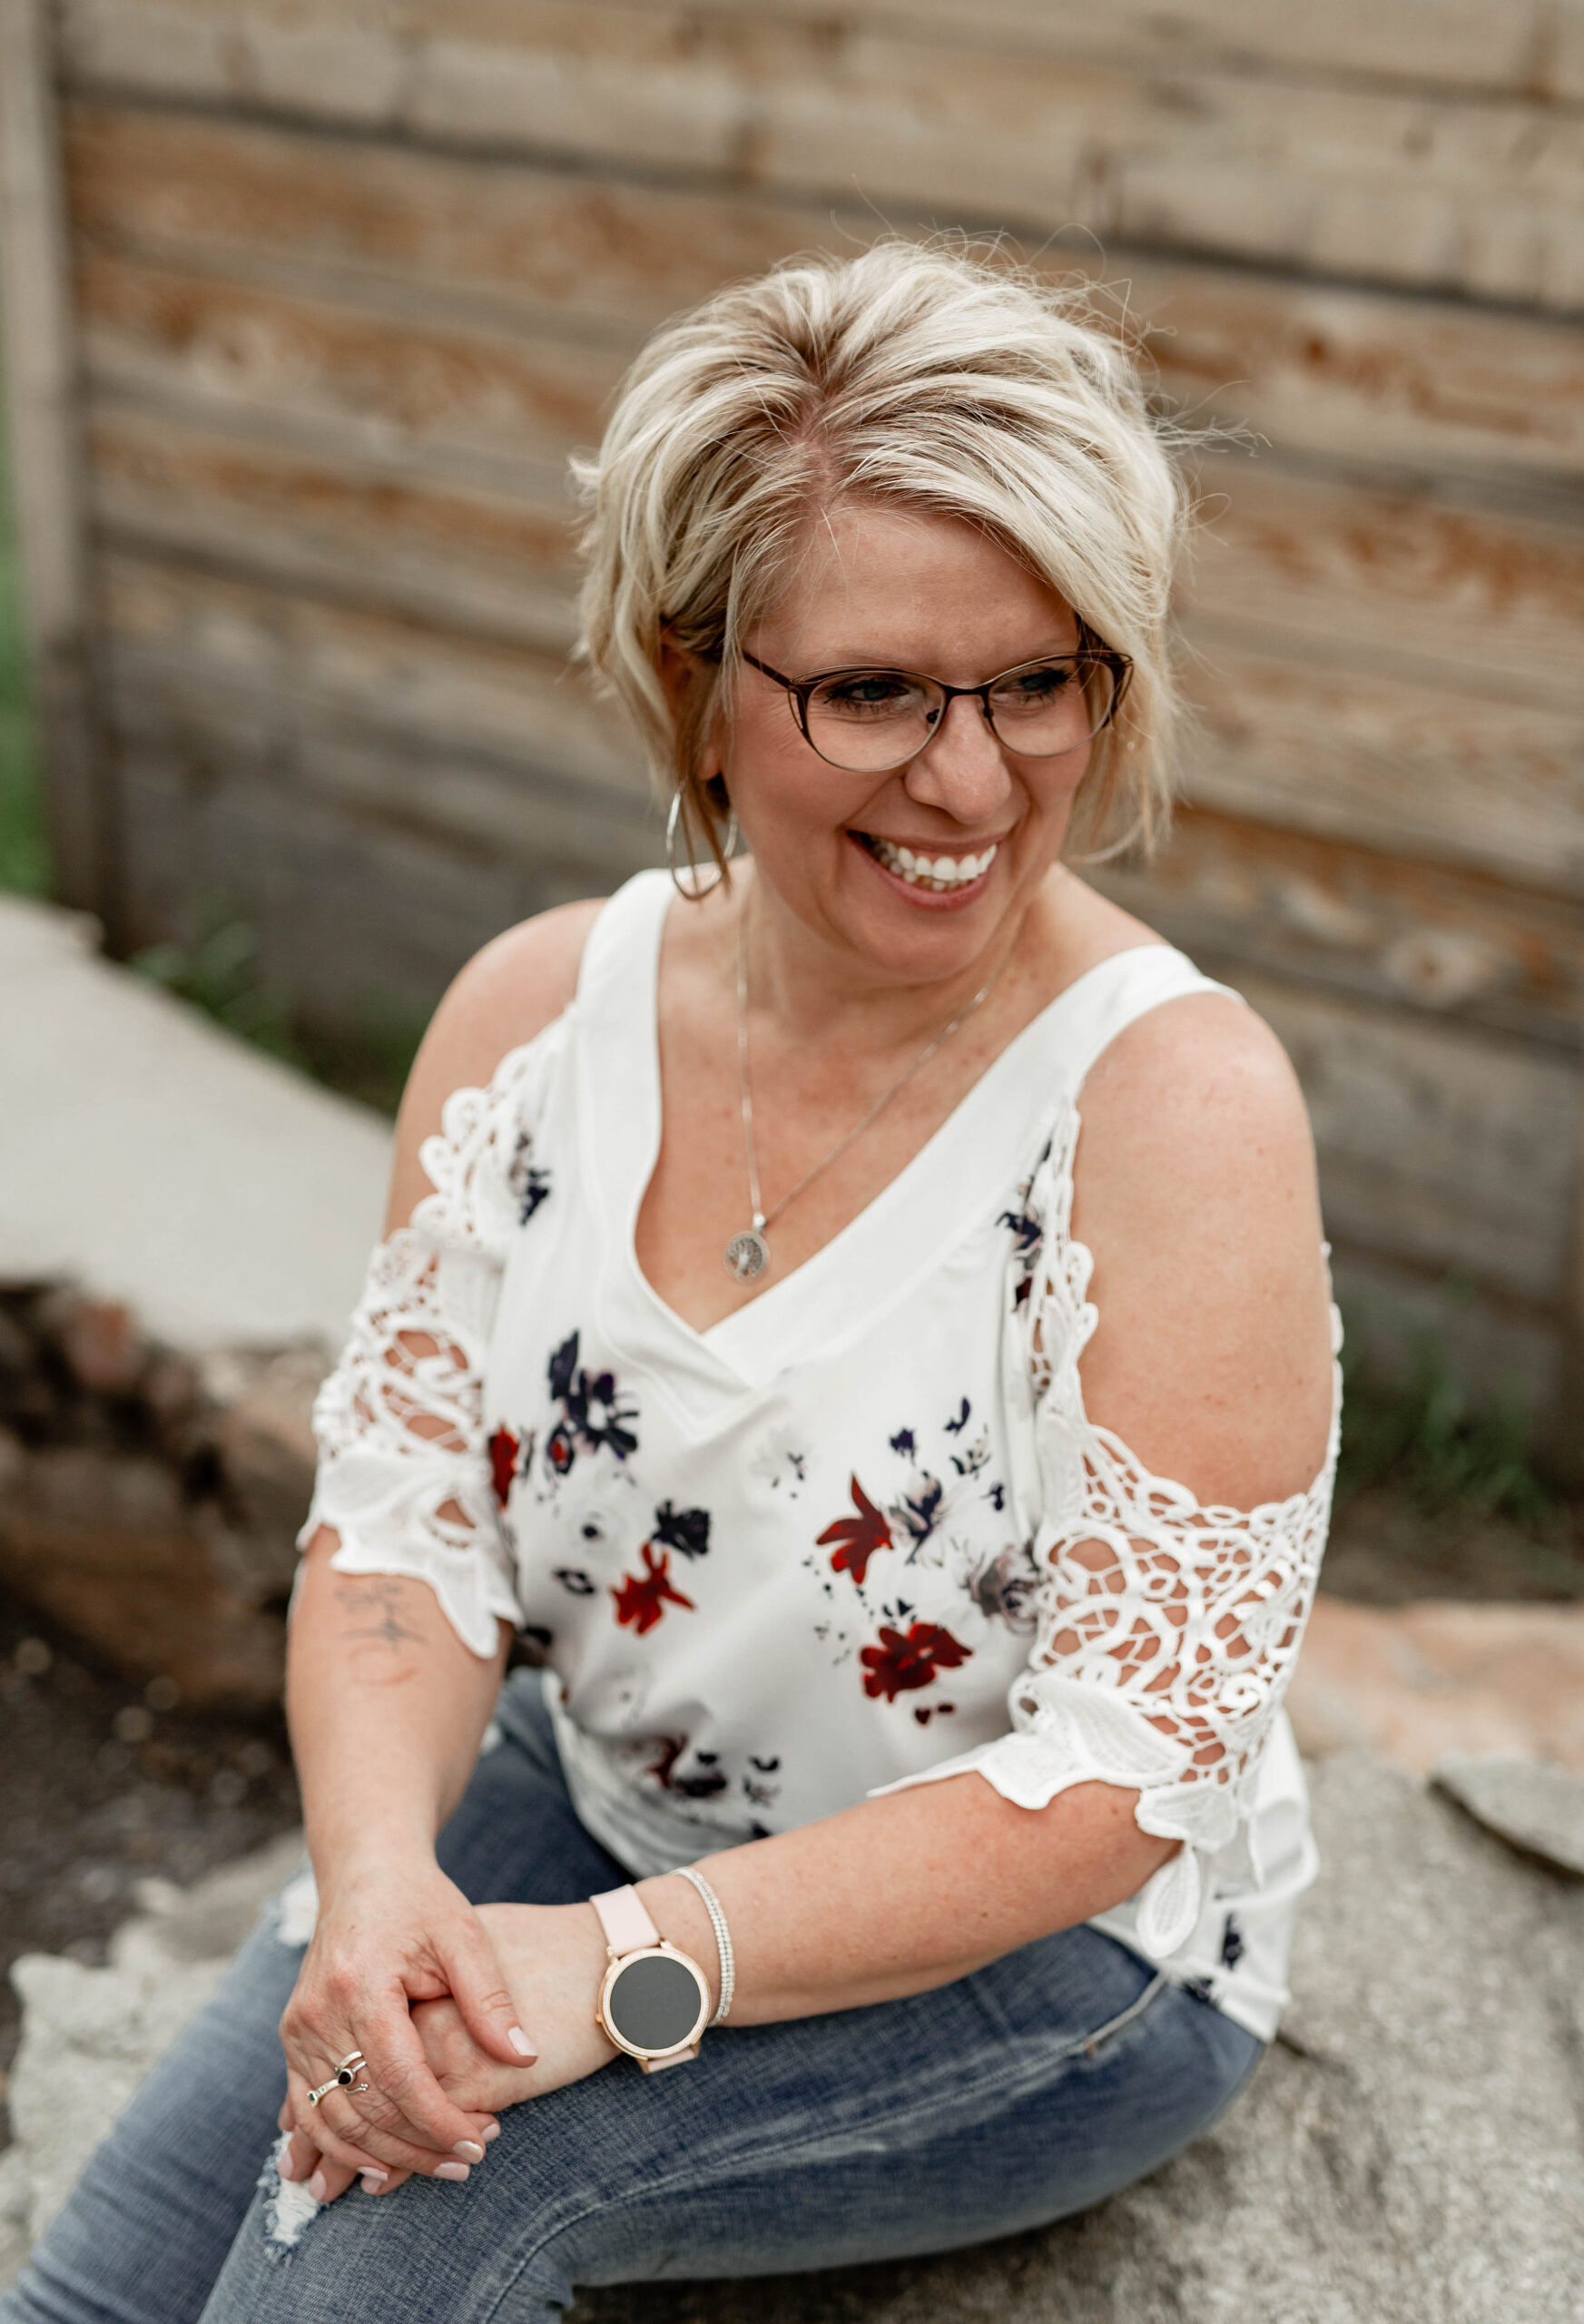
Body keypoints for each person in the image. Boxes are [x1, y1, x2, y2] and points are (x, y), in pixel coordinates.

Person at [4, 240, 1338, 2324]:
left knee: (388, 2249)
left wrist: (624, 1970)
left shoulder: (1178, 1107)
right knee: (92, 2294)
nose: (974, 781)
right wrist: (374, 1886)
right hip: (601, 1787)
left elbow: (1122, 1771)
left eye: (1039, 678)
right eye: (879, 688)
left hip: (1049, 1962)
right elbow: (402, 1523)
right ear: (693, 668)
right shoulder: (540, 1011)